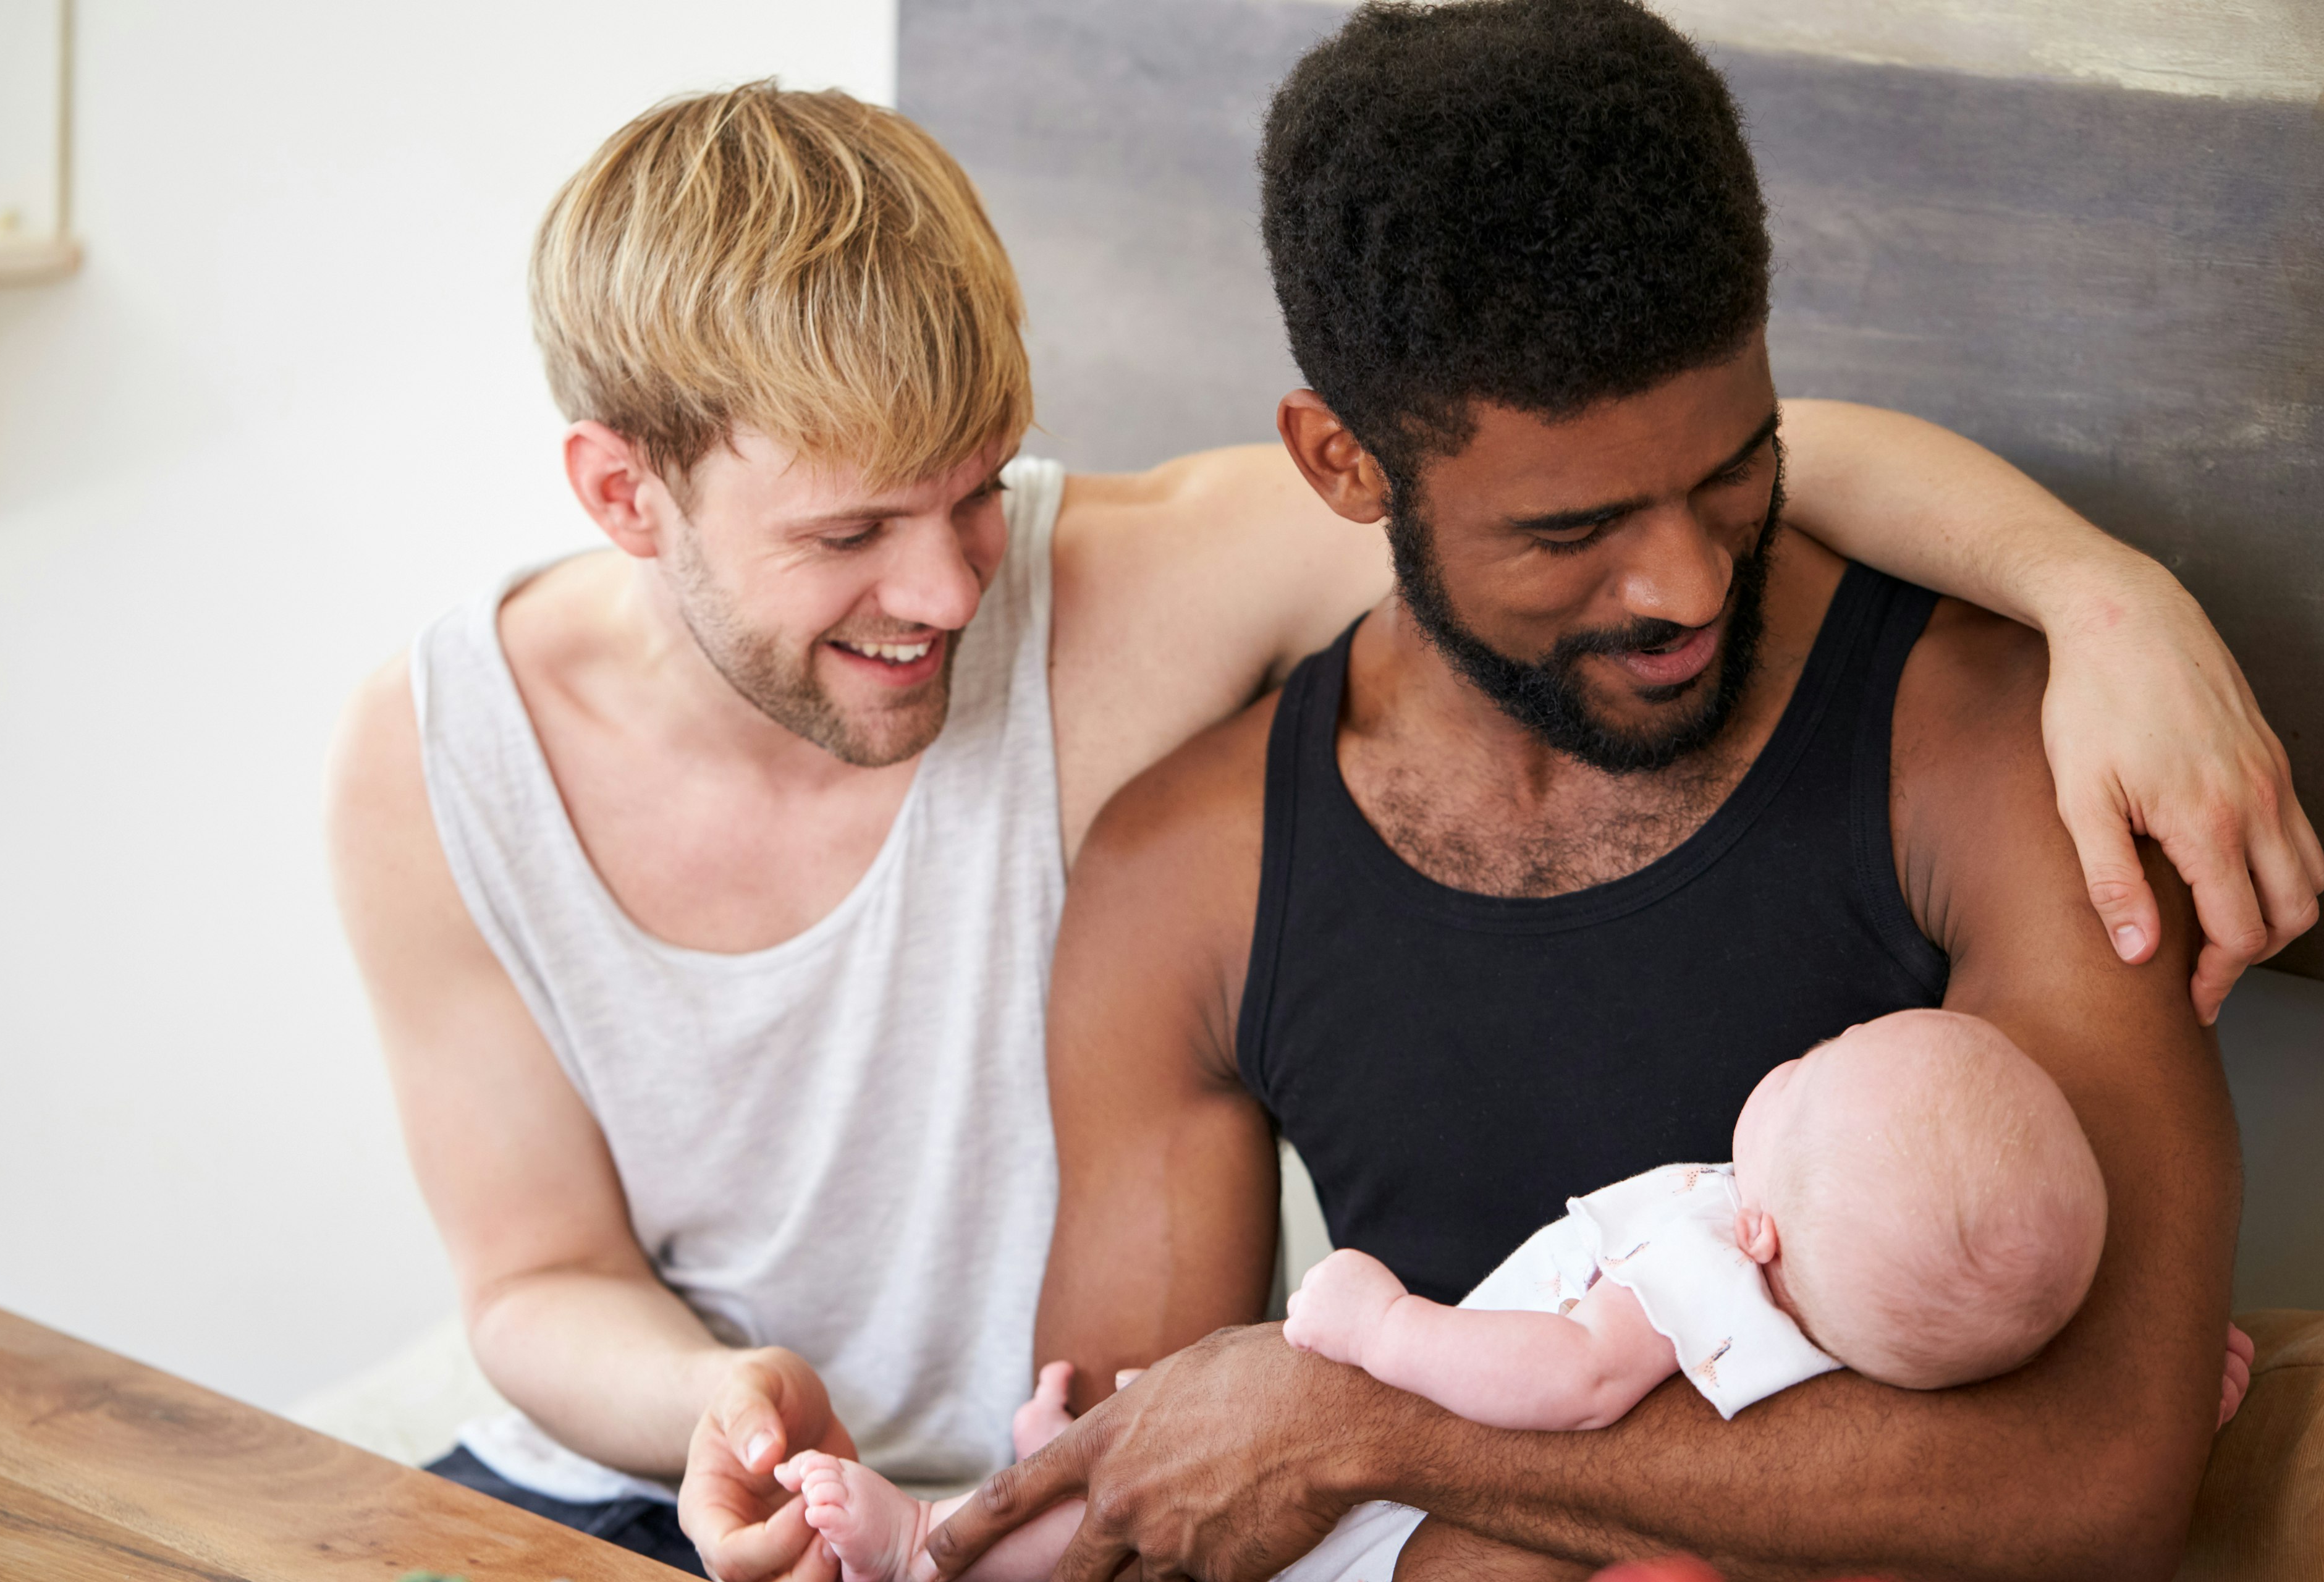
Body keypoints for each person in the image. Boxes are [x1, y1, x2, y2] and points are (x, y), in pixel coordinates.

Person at [324, 72, 2318, 1582]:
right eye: (847, 535)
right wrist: (713, 1406)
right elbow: (543, 1287)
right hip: (678, 1477)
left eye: (970, 489)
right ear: (616, 493)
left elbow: (1638, 457)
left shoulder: (1125, 595)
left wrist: (2100, 593)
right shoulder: (454, 762)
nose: (945, 592)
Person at [925, 4, 2322, 1581]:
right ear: (1344, 466)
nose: (1689, 580)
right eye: (1574, 527)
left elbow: (2096, 1474)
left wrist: (1376, 1428)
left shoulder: (1995, 743)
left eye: (1735, 464)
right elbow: (1127, 1508)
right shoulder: (1186, 872)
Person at [765, 1010, 2252, 1582]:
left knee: (1151, 1523)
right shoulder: (1871, 1335)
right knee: (1152, 1442)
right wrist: (2190, 1392)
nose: (1796, 1059)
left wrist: (1370, 1330)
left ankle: (923, 1545)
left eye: (1813, 1078)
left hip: (1382, 1498)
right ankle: (1017, 1480)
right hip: (1415, 1489)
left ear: (1772, 1225)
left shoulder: (1706, 1267)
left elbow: (1569, 1379)